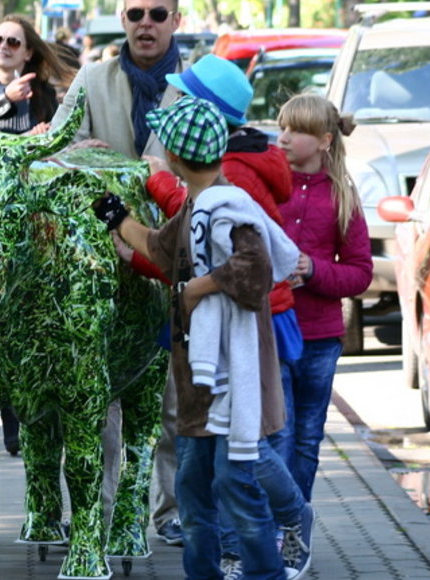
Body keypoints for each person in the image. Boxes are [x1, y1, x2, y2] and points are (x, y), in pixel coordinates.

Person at [102, 95, 304, 580]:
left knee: (238, 492)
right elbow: (160, 246)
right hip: (198, 385)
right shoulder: (197, 203)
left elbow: (254, 271)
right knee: (194, 497)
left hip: (230, 383)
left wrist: (198, 287)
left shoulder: (227, 207)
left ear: (172, 156)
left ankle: (268, 569)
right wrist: (117, 221)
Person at [51, 0, 187, 546]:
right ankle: (100, 516)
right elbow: (51, 152)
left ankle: (170, 510)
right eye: (136, 13)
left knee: (174, 400)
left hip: (175, 266)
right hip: (102, 264)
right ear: (122, 21)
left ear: (177, 20)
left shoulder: (195, 84)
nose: (146, 23)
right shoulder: (91, 77)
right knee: (99, 399)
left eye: (159, 12)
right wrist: (78, 153)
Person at [274, 94, 373, 503]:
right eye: (282, 127)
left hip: (319, 338)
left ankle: (297, 523)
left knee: (307, 437)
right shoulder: (269, 188)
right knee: (277, 432)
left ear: (325, 140)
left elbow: (360, 273)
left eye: (296, 130)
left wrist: (313, 269)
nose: (283, 137)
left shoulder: (342, 198)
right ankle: (278, 525)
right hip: (274, 331)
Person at [0, 14, 70, 135]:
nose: (2, 46)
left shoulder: (44, 93)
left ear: (28, 53)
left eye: (13, 42)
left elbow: (57, 139)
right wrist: (5, 97)